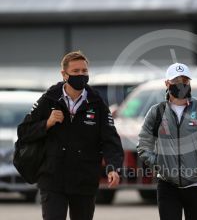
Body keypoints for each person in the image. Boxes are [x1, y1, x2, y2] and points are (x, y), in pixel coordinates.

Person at [17, 51, 124, 220]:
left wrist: (113, 167)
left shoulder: (97, 102)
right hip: (52, 178)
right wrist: (47, 123)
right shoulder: (49, 99)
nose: (81, 75)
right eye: (76, 71)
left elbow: (110, 139)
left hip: (84, 180)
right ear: (64, 74)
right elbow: (24, 132)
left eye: (84, 71)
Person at [137, 63, 197, 220]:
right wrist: (159, 165)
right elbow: (144, 145)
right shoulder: (156, 112)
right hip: (167, 186)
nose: (181, 85)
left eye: (185, 81)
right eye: (176, 81)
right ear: (167, 83)